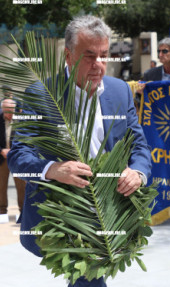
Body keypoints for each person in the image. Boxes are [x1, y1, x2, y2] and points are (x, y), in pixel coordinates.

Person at [8, 15, 151, 287]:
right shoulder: (41, 95)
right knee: (88, 279)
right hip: (64, 217)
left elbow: (139, 146)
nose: (98, 65)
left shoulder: (120, 92)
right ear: (68, 55)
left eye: (104, 55)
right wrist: (53, 170)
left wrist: (138, 173)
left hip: (111, 210)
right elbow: (18, 157)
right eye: (89, 56)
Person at [0, 99, 26, 218]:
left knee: (22, 186)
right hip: (1, 159)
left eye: (12, 111)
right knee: (1, 186)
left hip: (17, 159)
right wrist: (1, 150)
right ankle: (2, 213)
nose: (10, 114)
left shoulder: (21, 120)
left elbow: (27, 139)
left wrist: (15, 151)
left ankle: (23, 213)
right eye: (7, 112)